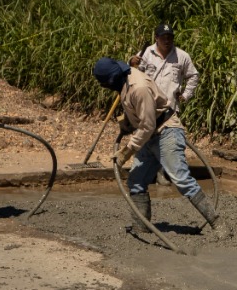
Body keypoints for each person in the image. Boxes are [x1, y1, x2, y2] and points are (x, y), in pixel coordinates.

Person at [91, 57, 228, 239]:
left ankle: (218, 224)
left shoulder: (138, 87)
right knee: (136, 181)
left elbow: (147, 125)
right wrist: (128, 122)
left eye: (103, 84)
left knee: (181, 179)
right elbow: (141, 115)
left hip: (166, 132)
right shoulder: (124, 82)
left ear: (110, 80)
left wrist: (127, 150)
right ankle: (142, 227)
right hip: (149, 136)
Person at [129, 24, 198, 113]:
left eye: (169, 38)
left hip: (170, 107)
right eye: (163, 38)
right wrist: (131, 63)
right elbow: (132, 73)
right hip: (147, 104)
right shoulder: (146, 53)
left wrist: (186, 95)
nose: (167, 41)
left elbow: (193, 75)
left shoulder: (182, 56)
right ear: (156, 38)